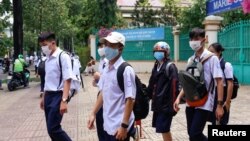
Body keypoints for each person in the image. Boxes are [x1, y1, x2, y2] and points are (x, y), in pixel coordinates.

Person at [173, 27, 224, 141]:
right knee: (191, 135)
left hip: (205, 102)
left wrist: (220, 105)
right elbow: (188, 83)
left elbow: (219, 82)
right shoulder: (191, 60)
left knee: (195, 133)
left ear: (204, 39)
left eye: (196, 38)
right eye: (191, 38)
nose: (193, 41)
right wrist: (178, 98)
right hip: (191, 101)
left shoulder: (212, 59)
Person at [87, 32, 136, 141]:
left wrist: (124, 126)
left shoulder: (126, 70)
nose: (107, 48)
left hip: (119, 128)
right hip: (107, 124)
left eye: (111, 45)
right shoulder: (106, 68)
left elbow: (130, 99)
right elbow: (103, 93)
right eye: (106, 44)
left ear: (120, 48)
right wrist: (93, 113)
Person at [39, 32, 73, 141]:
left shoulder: (63, 56)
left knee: (53, 128)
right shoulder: (48, 58)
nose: (43, 48)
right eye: (41, 45)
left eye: (44, 44)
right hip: (48, 96)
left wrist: (64, 100)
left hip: (58, 96)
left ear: (53, 43)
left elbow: (67, 80)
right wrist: (44, 97)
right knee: (51, 130)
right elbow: (47, 80)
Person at [147, 41, 179, 141]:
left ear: (166, 52)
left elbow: (175, 86)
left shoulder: (170, 66)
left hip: (166, 104)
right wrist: (147, 96)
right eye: (156, 51)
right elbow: (151, 83)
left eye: (161, 51)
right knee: (162, 128)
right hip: (158, 103)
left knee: (164, 129)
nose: (158, 53)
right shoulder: (156, 66)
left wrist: (173, 105)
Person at [208, 43, 234, 125]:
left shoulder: (226, 65)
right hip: (213, 95)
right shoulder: (211, 65)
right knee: (214, 120)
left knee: (222, 121)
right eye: (209, 52)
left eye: (212, 52)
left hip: (223, 95)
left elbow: (230, 84)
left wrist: (227, 101)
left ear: (219, 52)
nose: (210, 54)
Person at [92, 42, 108, 141]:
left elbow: (111, 79)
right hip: (101, 93)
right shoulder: (102, 60)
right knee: (100, 122)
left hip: (107, 96)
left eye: (103, 46)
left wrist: (99, 77)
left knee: (104, 123)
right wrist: (97, 82)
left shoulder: (108, 61)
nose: (100, 49)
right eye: (99, 47)